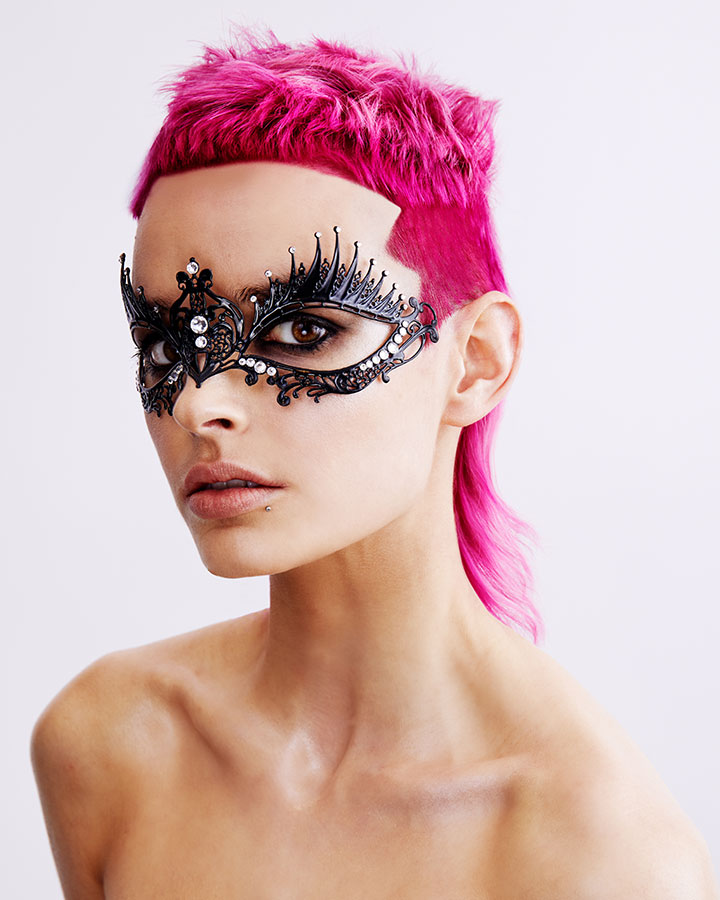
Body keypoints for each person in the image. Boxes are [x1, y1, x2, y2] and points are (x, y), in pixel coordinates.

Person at [30, 27, 717, 899]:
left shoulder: (602, 860)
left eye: (303, 329)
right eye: (168, 344)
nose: (200, 405)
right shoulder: (110, 746)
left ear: (476, 361)